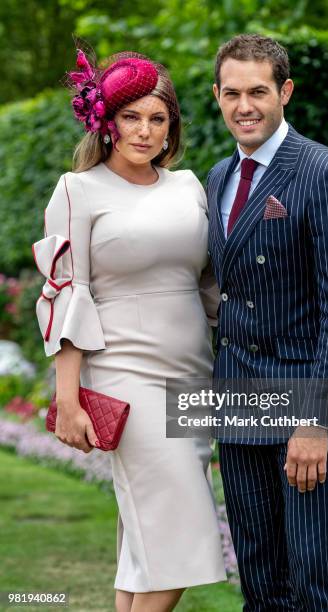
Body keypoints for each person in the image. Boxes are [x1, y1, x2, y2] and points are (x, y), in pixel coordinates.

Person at [32, 45, 226, 612]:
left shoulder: (189, 185)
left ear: (171, 127)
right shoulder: (79, 190)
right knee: (183, 532)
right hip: (125, 374)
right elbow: (68, 291)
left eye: (157, 118)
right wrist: (68, 401)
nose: (144, 131)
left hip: (194, 373)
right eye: (131, 117)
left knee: (145, 544)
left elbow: (211, 284)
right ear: (108, 123)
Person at [207, 34, 328, 610]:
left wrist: (315, 423)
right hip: (236, 402)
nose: (244, 105)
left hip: (304, 406)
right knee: (259, 579)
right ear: (217, 96)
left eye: (258, 90)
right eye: (232, 93)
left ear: (286, 91)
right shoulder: (217, 178)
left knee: (311, 580)